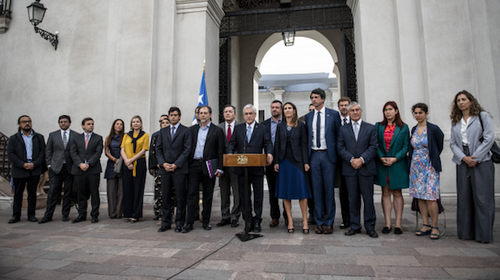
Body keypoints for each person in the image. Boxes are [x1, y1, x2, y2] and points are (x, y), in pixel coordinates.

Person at [450, 90, 495, 243]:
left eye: (463, 99)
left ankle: (483, 235)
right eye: (458, 100)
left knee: (482, 198)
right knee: (464, 197)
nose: (461, 102)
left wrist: (475, 157)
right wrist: (464, 158)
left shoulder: (482, 116)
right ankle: (466, 232)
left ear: (471, 101)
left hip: (481, 160)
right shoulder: (456, 120)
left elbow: (489, 138)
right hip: (463, 160)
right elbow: (453, 143)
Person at [228, 104, 273, 233]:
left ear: (255, 115)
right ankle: (247, 220)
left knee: (258, 196)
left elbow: (267, 143)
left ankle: (257, 220)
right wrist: (230, 153)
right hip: (242, 169)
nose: (248, 116)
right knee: (244, 196)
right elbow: (232, 143)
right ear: (243, 115)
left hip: (256, 168)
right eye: (246, 114)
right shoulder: (238, 128)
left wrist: (269, 153)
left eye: (251, 113)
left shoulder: (262, 128)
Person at [337, 102, 379, 238]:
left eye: (357, 110)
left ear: (361, 111)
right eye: (352, 110)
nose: (355, 112)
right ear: (348, 113)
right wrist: (351, 160)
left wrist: (361, 159)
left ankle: (370, 226)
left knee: (368, 199)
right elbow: (340, 147)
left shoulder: (371, 128)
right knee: (353, 199)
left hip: (366, 169)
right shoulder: (343, 129)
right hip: (350, 170)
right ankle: (354, 226)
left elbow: (373, 146)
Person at [304, 88, 340, 234]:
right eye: (312, 97)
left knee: (328, 190)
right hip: (314, 156)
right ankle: (319, 222)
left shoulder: (334, 115)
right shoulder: (308, 117)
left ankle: (329, 222)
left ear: (323, 99)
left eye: (316, 97)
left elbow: (339, 136)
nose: (314, 100)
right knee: (316, 190)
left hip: (328, 156)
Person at [184, 105, 225, 233]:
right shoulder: (191, 130)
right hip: (194, 166)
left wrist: (220, 168)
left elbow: (220, 151)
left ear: (210, 115)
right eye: (200, 113)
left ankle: (206, 221)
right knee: (192, 195)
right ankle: (189, 223)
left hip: (209, 166)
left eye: (205, 113)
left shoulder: (217, 131)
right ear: (197, 115)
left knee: (208, 195)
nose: (202, 115)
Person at [273, 102, 311, 233]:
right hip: (284, 161)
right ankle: (290, 220)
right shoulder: (280, 126)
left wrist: (306, 162)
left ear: (294, 111)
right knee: (286, 192)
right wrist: (276, 162)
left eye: (290, 108)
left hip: (298, 162)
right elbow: (276, 145)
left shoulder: (301, 126)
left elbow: (304, 144)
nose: (288, 110)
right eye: (286, 109)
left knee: (302, 192)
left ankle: (305, 219)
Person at [409, 103, 444, 240]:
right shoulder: (413, 129)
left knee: (430, 196)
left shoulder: (434, 129)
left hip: (429, 166)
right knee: (419, 196)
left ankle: (435, 225)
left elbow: (439, 145)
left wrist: (432, 158)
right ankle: (425, 224)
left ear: (426, 113)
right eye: (416, 113)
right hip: (416, 167)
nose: (418, 115)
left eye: (420, 113)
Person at [375, 101, 409, 235]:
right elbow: (375, 144)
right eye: (385, 110)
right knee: (385, 192)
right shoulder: (378, 126)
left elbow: (406, 146)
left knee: (397, 193)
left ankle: (398, 224)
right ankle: (388, 223)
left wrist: (395, 158)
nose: (387, 112)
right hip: (382, 163)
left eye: (390, 109)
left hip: (397, 164)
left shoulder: (404, 127)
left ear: (396, 111)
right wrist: (381, 157)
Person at [156, 107, 192, 233]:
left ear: (179, 116)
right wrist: (163, 163)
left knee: (180, 197)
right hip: (165, 169)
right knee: (165, 197)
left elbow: (187, 150)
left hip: (179, 169)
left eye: (175, 115)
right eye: (171, 115)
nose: (173, 117)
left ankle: (179, 223)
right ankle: (165, 222)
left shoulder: (186, 131)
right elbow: (158, 150)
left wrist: (176, 164)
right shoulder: (163, 131)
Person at [7, 115, 46, 224]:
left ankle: (31, 215)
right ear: (19, 124)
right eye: (24, 122)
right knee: (18, 194)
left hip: (34, 169)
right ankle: (16, 215)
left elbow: (42, 153)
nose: (27, 123)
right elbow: (11, 155)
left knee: (32, 193)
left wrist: (34, 164)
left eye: (28, 121)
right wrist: (23, 164)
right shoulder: (13, 138)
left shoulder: (39, 137)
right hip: (20, 169)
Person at [40, 115, 75, 224]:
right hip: (56, 167)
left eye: (65, 122)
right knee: (53, 191)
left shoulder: (75, 135)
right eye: (61, 122)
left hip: (69, 167)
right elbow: (48, 151)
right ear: (59, 123)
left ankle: (65, 214)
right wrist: (49, 165)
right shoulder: (53, 135)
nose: (63, 123)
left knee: (68, 192)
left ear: (70, 123)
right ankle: (48, 215)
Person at [70, 118, 103, 223]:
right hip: (79, 170)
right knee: (81, 193)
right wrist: (80, 164)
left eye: (92, 124)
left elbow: (98, 153)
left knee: (94, 193)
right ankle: (81, 214)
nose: (91, 126)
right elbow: (73, 152)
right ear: (83, 126)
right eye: (88, 124)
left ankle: (94, 215)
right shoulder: (76, 138)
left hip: (93, 169)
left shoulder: (98, 138)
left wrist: (88, 164)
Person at [120, 115, 149, 223]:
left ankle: (136, 214)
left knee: (138, 189)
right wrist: (127, 161)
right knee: (127, 189)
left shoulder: (145, 135)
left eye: (137, 121)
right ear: (131, 124)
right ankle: (128, 213)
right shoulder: (127, 135)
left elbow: (144, 150)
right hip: (127, 163)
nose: (135, 123)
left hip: (139, 163)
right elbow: (122, 149)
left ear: (141, 124)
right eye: (133, 122)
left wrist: (131, 160)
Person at [217, 104, 241, 228]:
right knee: (224, 191)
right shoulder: (218, 128)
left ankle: (235, 216)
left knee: (237, 192)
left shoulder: (240, 127)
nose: (228, 113)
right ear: (223, 114)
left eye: (230, 111)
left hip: (236, 165)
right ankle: (225, 216)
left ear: (234, 114)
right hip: (222, 165)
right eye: (225, 111)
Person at [262, 100, 284, 227]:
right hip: (269, 161)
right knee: (272, 190)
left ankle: (287, 216)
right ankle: (275, 216)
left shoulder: (287, 123)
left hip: (285, 161)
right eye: (272, 107)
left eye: (277, 107)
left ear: (281, 109)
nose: (274, 109)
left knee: (286, 190)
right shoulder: (264, 125)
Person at [149, 115, 170, 224]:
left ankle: (168, 214)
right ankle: (158, 214)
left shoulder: (172, 135)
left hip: (170, 168)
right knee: (159, 192)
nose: (165, 124)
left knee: (169, 193)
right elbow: (153, 152)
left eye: (167, 122)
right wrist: (154, 165)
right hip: (159, 168)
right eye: (163, 123)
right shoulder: (156, 135)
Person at [104, 119, 125, 219]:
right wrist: (114, 160)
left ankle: (119, 212)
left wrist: (120, 161)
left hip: (122, 163)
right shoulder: (108, 138)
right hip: (111, 164)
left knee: (121, 190)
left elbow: (126, 150)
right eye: (117, 124)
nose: (119, 126)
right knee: (111, 190)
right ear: (114, 125)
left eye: (121, 124)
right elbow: (106, 152)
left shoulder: (125, 137)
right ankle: (112, 212)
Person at [337, 96, 351, 229]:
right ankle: (346, 219)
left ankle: (355, 219)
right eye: (341, 105)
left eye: (346, 105)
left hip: (355, 163)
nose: (344, 107)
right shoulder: (335, 121)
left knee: (354, 192)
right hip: (339, 163)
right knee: (343, 193)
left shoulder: (356, 122)